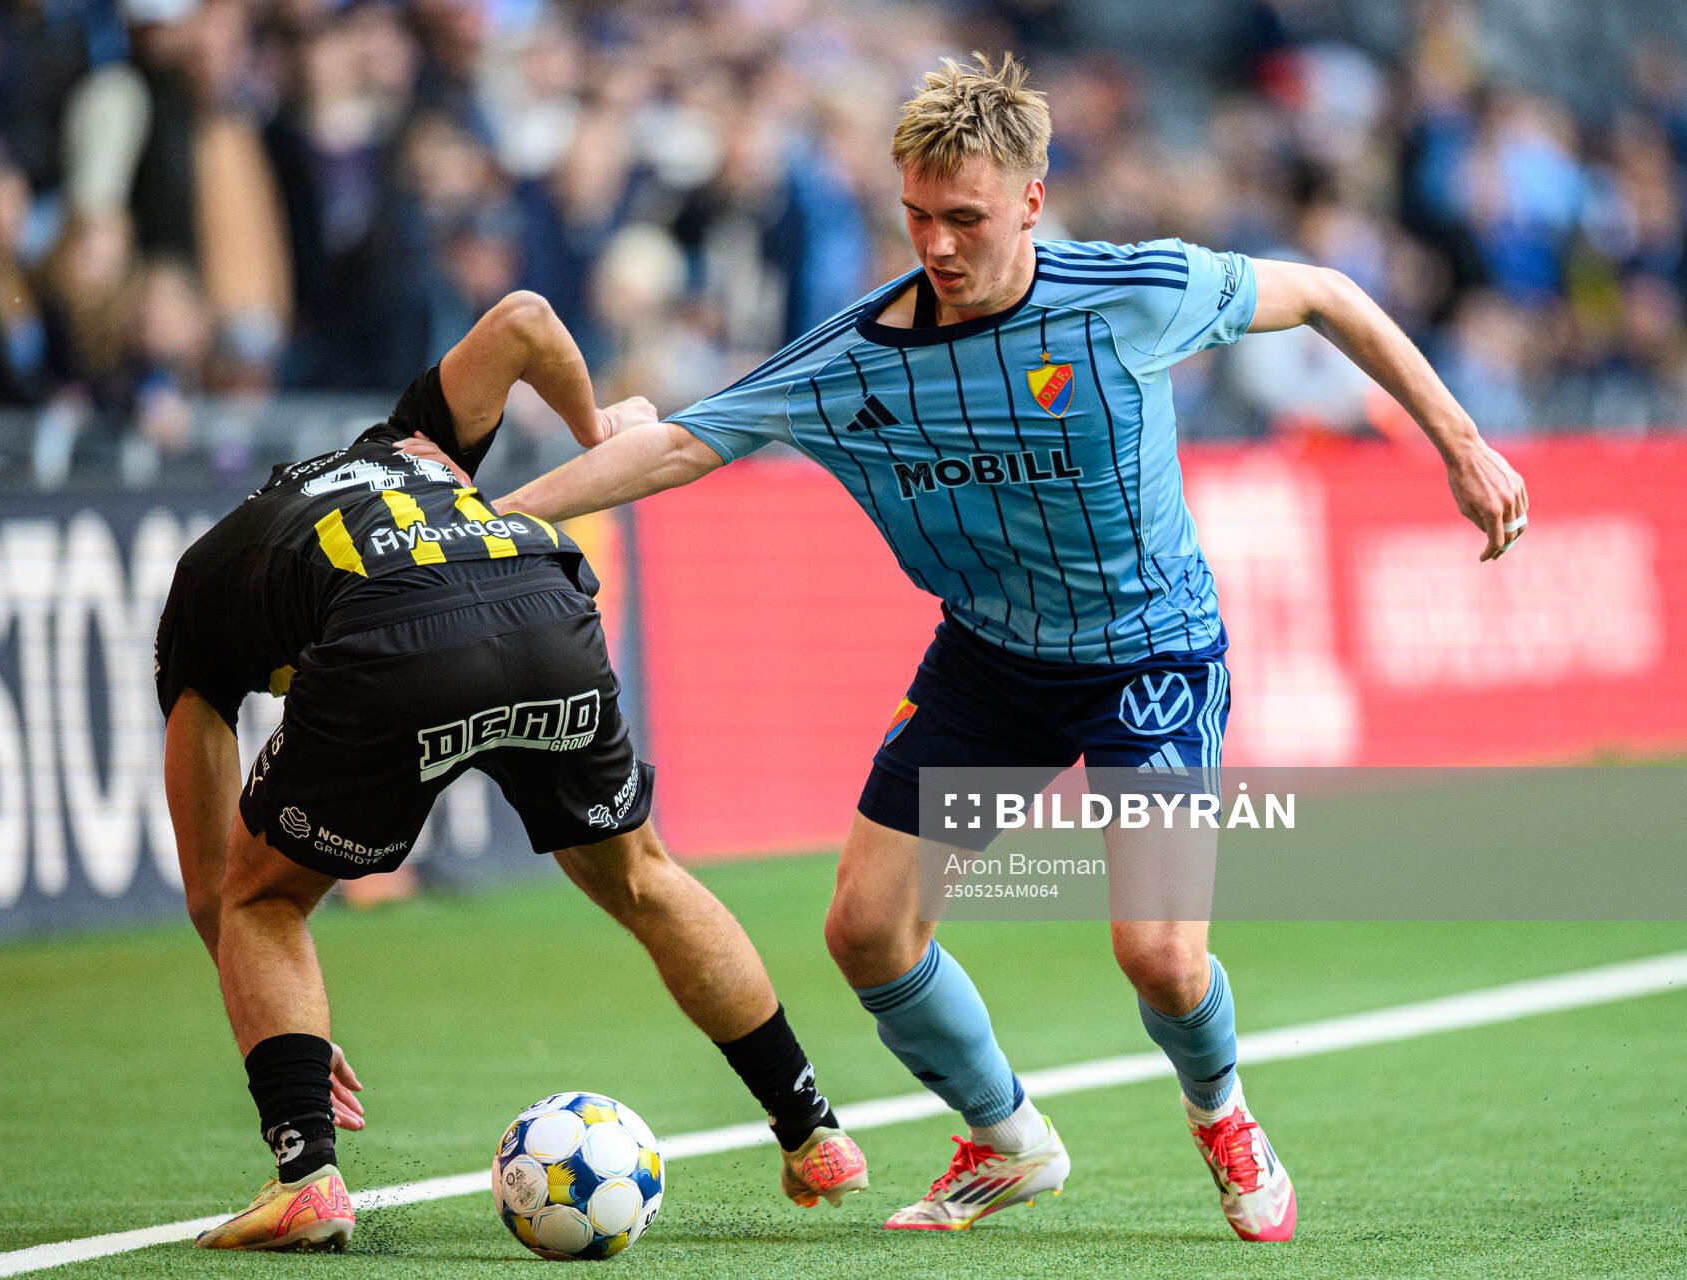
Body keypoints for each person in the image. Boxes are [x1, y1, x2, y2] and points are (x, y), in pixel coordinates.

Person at [453, 54, 1529, 1242]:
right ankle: (1007, 1136)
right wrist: (497, 519)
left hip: (1148, 658)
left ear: (1030, 197)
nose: (939, 245)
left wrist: (1462, 442)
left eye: (965, 217)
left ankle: (1220, 1109)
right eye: (917, 216)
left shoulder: (1133, 295)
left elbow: (1331, 292)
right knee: (864, 930)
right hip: (986, 660)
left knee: (1161, 960)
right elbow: (679, 446)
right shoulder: (853, 356)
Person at [156, 290, 868, 1252]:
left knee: (261, 903)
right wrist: (600, 425)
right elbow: (528, 317)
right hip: (544, 601)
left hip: (391, 637)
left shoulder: (200, 599)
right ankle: (811, 1126)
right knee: (644, 876)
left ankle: (307, 1178)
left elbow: (216, 892)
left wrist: (278, 1034)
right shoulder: (411, 443)